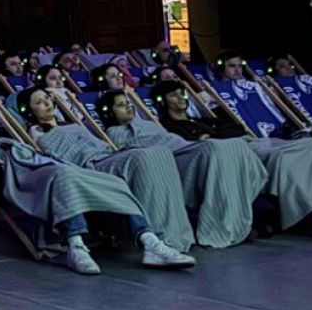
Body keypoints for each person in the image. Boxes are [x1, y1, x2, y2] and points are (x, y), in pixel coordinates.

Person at [0, 106, 192, 275]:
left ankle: (149, 242)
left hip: (48, 169)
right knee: (63, 176)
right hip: (25, 181)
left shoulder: (8, 137)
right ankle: (76, 246)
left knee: (111, 181)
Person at [151, 80, 312, 243]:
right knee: (282, 160)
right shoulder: (170, 129)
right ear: (162, 103)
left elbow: (236, 127)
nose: (180, 98)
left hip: (252, 141)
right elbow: (196, 146)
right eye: (173, 95)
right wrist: (213, 136)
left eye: (182, 94)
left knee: (310, 146)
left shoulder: (203, 120)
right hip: (236, 153)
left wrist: (213, 132)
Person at [16, 87, 199, 260]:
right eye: (39, 102)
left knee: (160, 152)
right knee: (144, 156)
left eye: (47, 98)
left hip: (105, 157)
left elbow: (100, 145)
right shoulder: (36, 133)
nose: (47, 103)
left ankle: (174, 232)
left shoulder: (73, 125)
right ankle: (159, 237)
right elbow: (56, 155)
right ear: (29, 111)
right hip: (90, 166)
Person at [95, 90, 267, 248]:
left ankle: (235, 220)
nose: (127, 107)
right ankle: (221, 225)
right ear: (109, 112)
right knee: (214, 148)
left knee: (233, 145)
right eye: (120, 105)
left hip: (184, 148)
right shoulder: (112, 133)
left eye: (128, 103)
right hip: (169, 158)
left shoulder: (149, 124)